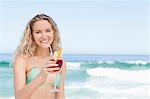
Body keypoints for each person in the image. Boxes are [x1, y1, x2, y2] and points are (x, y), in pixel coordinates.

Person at [13, 14, 66, 99]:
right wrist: (41, 76)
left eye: (48, 30)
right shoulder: (22, 60)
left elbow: (60, 96)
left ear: (54, 32)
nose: (44, 36)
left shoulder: (59, 62)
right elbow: (19, 97)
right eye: (38, 32)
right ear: (32, 35)